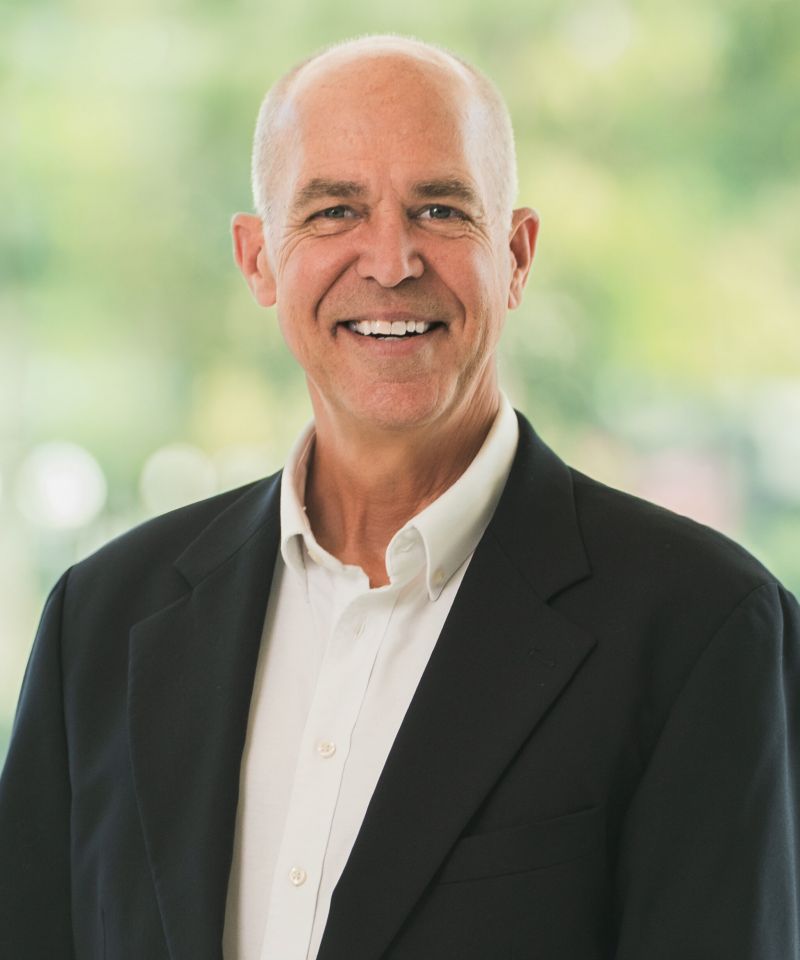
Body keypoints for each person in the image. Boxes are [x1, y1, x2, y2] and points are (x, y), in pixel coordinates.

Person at [0, 34, 798, 960]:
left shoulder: (702, 627)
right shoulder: (99, 621)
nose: (390, 259)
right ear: (258, 259)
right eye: (335, 210)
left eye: (441, 209)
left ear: (517, 253)